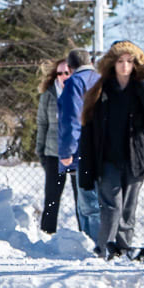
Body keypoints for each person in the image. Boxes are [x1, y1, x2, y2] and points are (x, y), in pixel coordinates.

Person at [77, 40, 144, 259]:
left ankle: (124, 248)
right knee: (111, 206)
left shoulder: (142, 89)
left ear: (136, 64)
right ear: (112, 64)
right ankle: (105, 247)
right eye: (120, 61)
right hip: (108, 159)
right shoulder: (100, 91)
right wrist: (86, 169)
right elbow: (88, 129)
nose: (125, 66)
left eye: (129, 61)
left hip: (136, 159)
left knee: (128, 208)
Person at [55, 47, 99, 242]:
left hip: (83, 149)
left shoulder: (74, 83)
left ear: (71, 68)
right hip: (103, 147)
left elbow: (71, 119)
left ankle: (94, 243)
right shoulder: (100, 79)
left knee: (87, 203)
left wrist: (67, 151)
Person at [33, 55, 70, 234]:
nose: (64, 76)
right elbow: (42, 124)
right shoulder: (48, 95)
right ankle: (48, 234)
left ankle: (85, 236)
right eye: (60, 73)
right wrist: (40, 150)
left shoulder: (82, 93)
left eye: (68, 72)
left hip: (76, 153)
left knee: (84, 200)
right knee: (52, 197)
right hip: (53, 152)